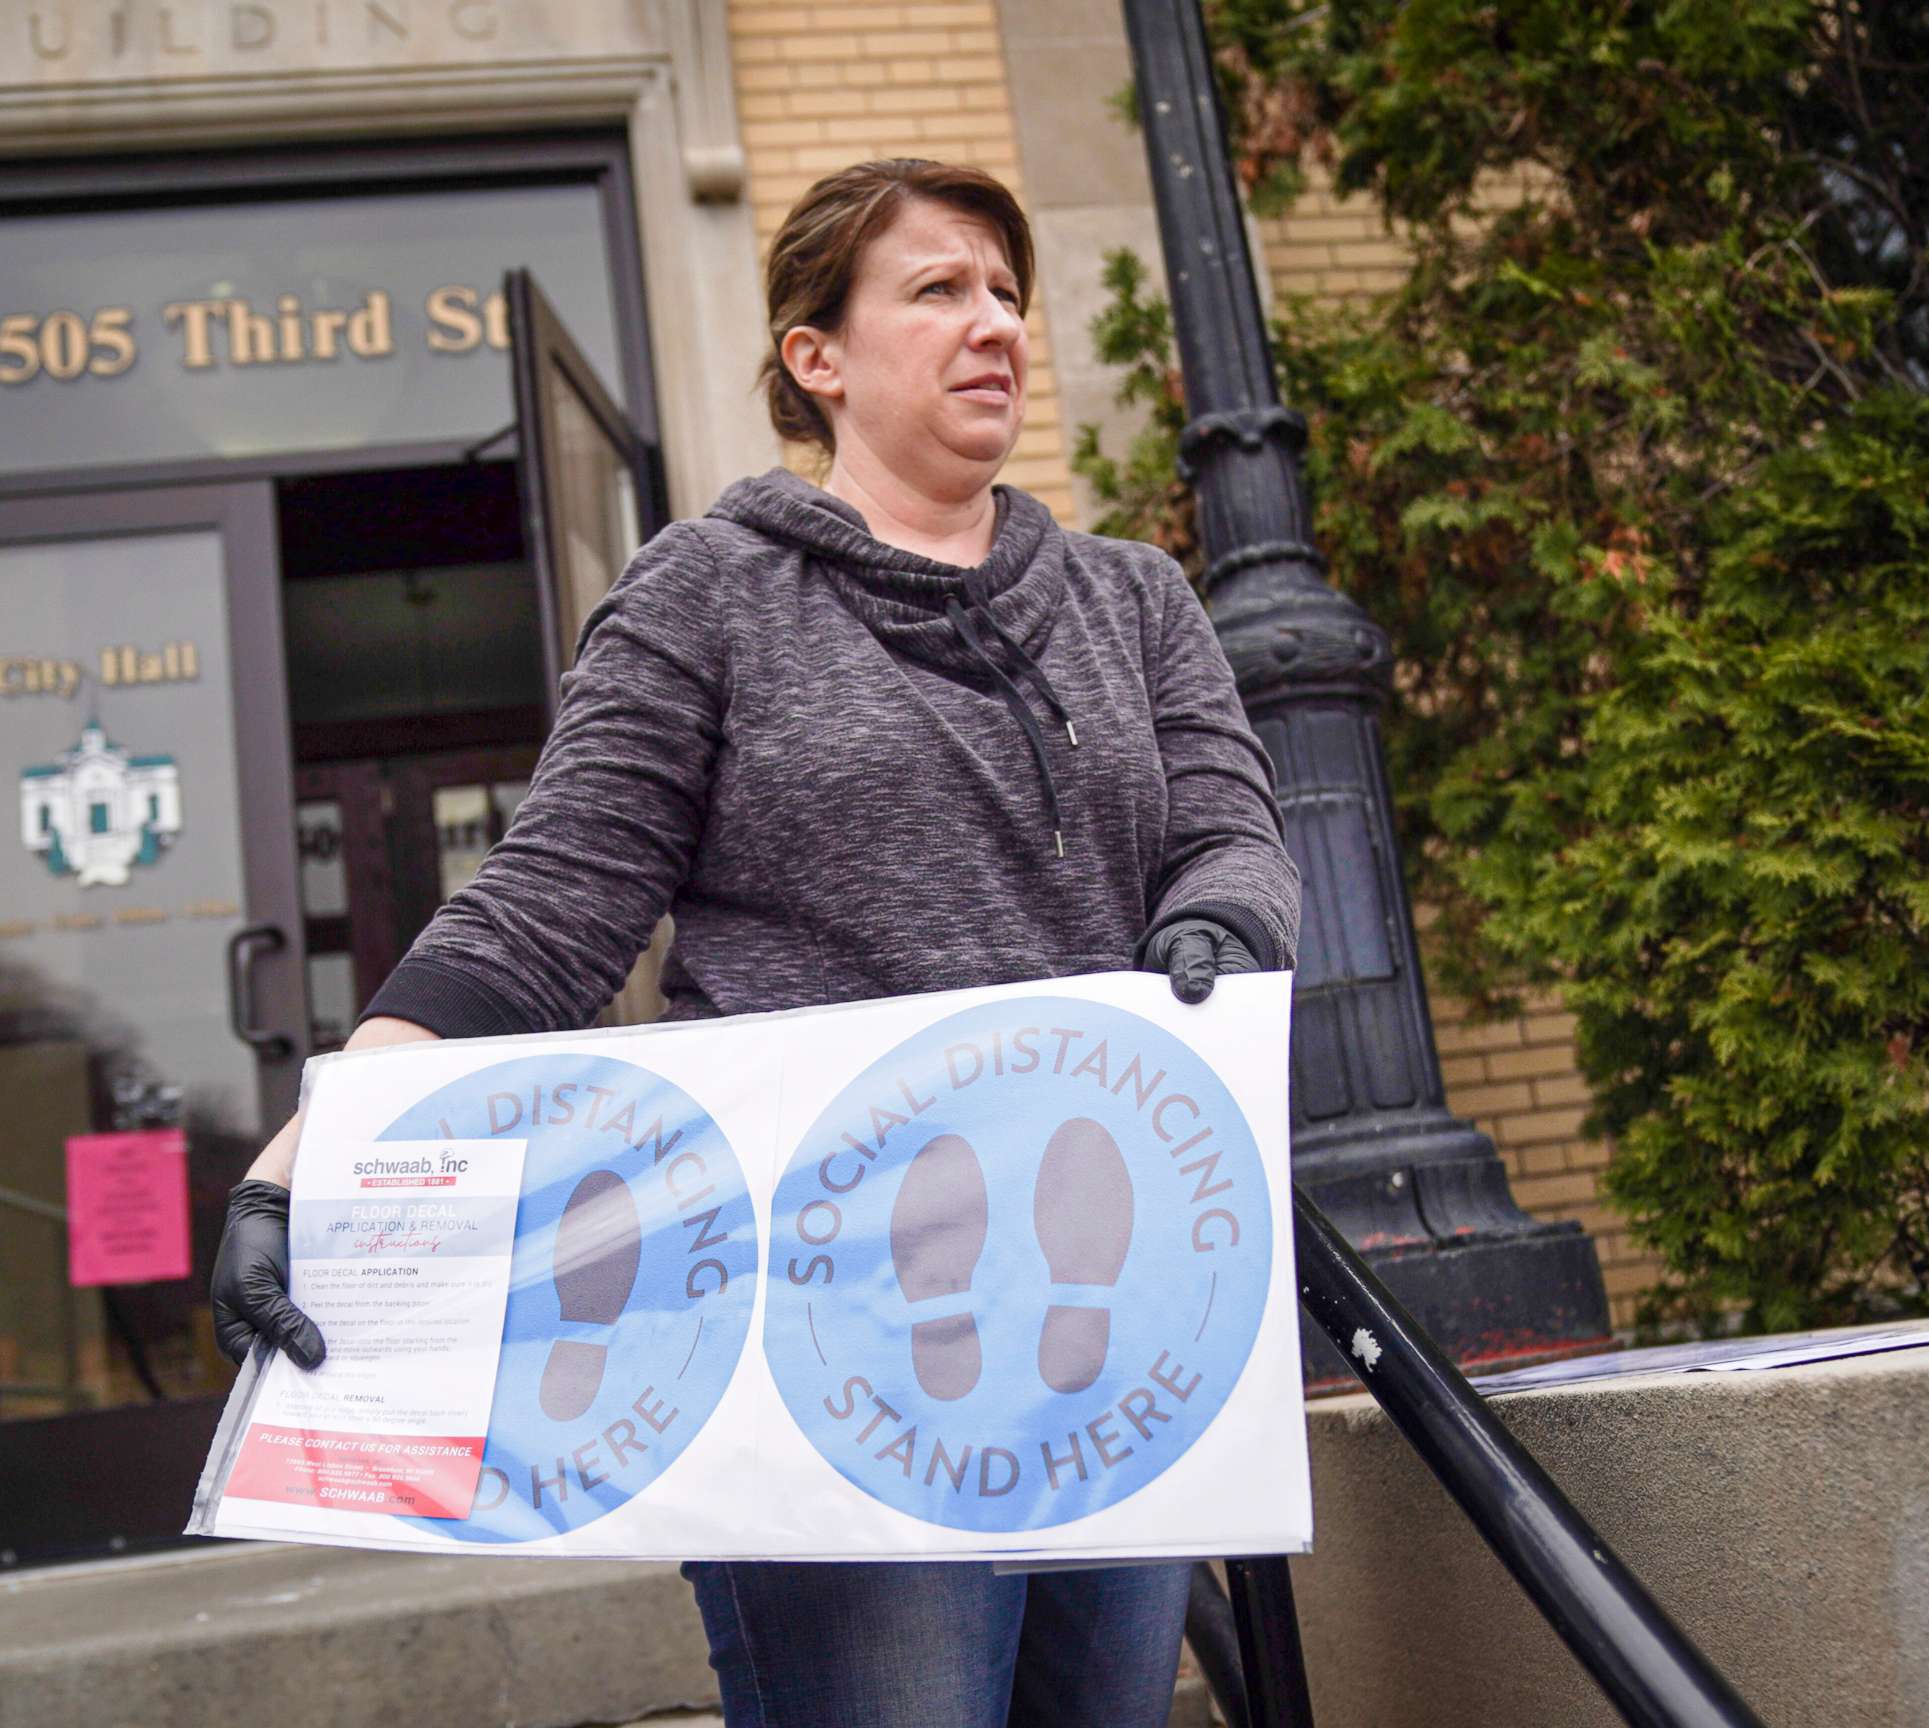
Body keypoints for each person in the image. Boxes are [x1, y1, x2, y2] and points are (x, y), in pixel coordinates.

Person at [212, 157, 1301, 1728]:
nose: (992, 323)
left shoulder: (1134, 599)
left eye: (1006, 291)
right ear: (819, 357)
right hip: (832, 1329)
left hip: (1107, 1318)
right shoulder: (707, 595)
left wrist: (1216, 920)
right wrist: (308, 1152)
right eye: (938, 290)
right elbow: (545, 909)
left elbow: (1235, 832)